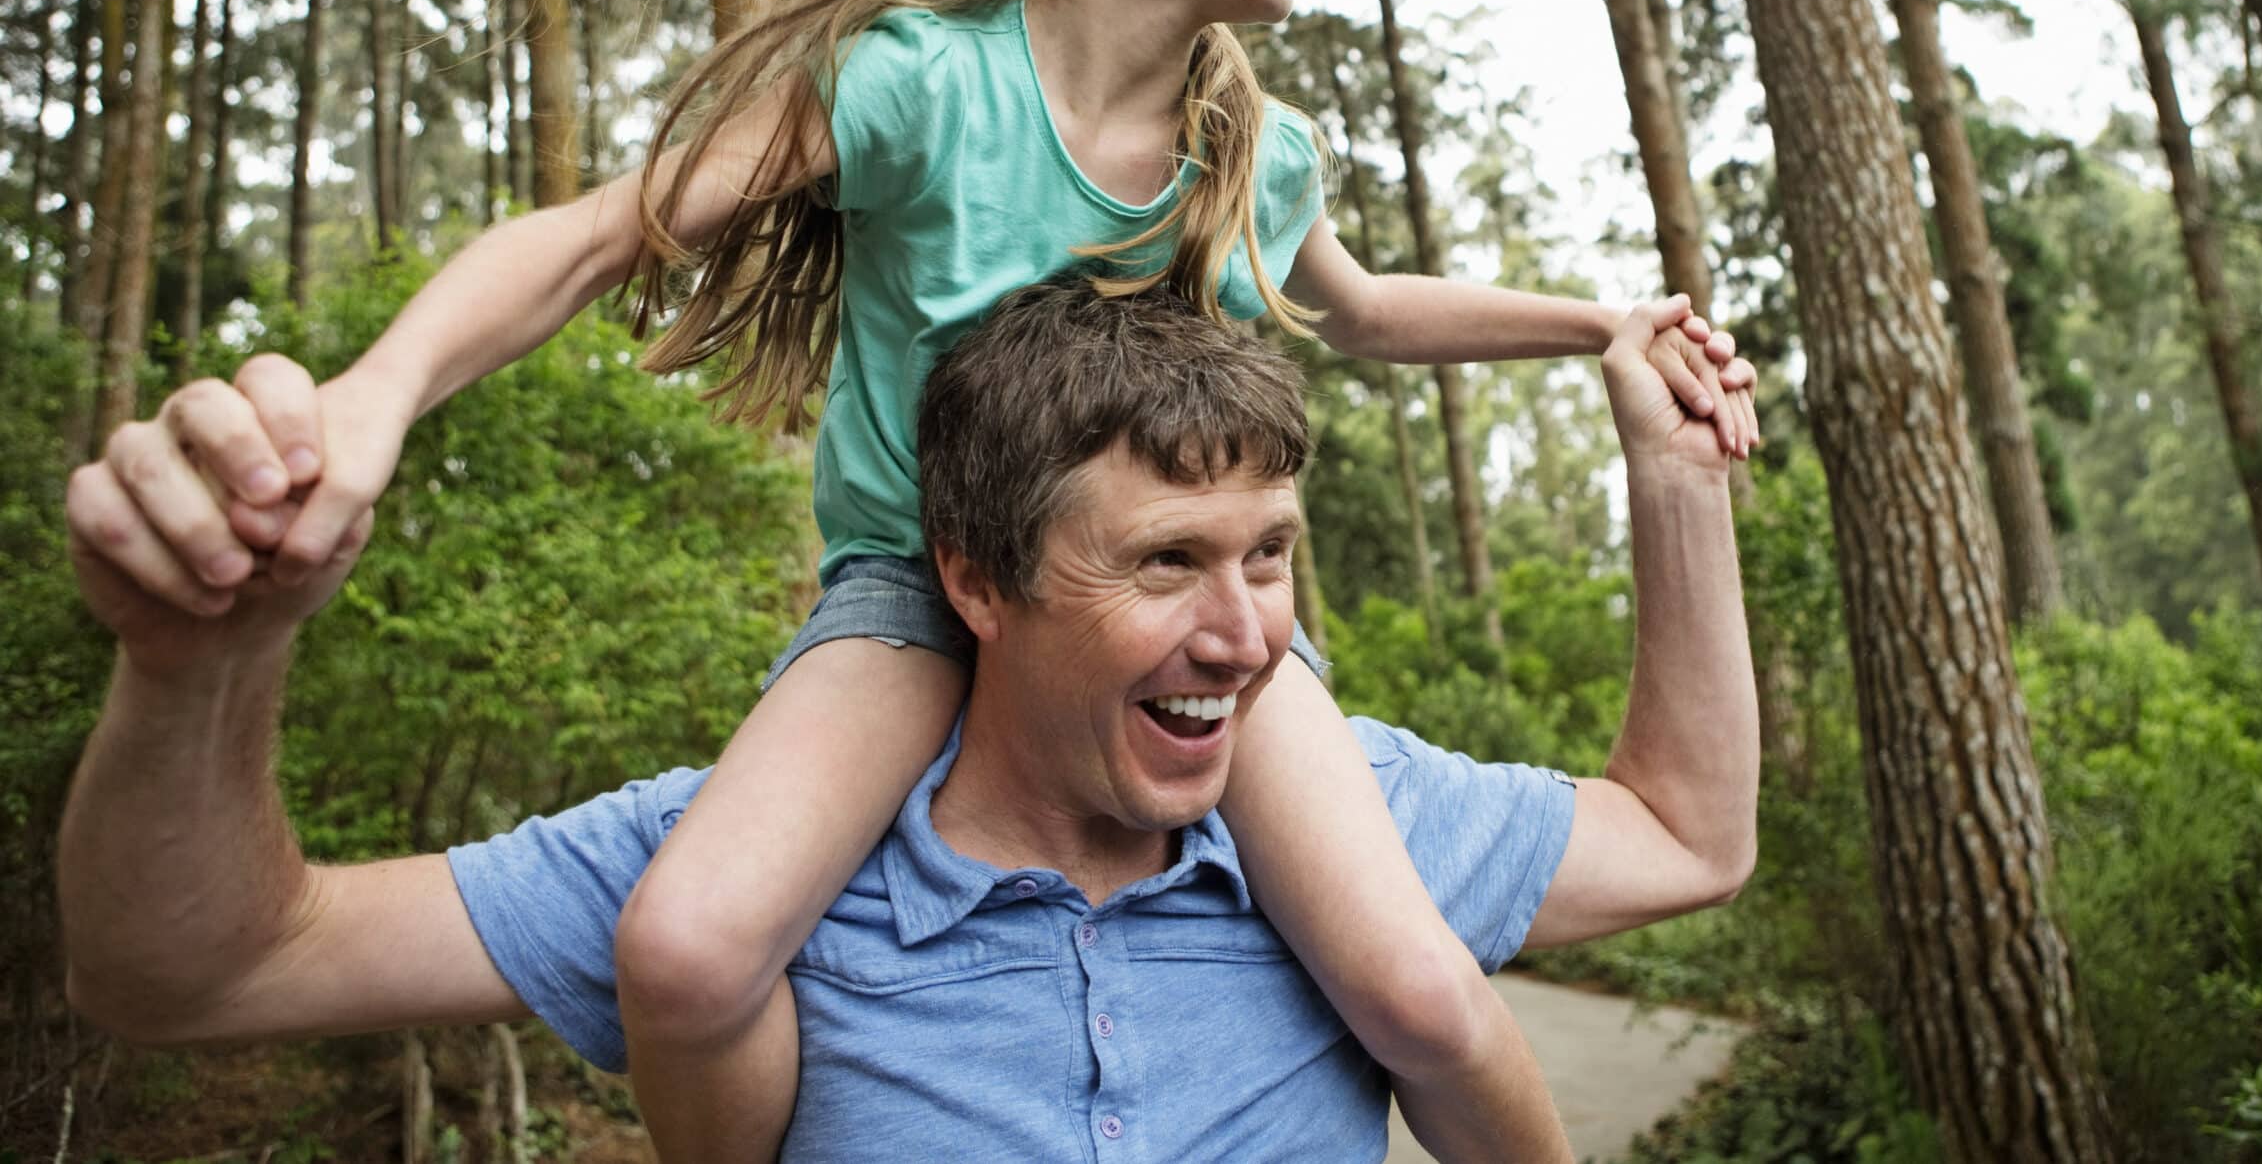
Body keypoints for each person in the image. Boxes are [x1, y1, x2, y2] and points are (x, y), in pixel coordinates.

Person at [124, 0, 1758, 1163]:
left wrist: (1600, 326)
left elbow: (1377, 310)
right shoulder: (919, 82)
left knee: (1419, 984)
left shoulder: (1253, 140)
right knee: (688, 949)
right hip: (915, 590)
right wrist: (377, 392)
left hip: (1167, 615)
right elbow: (602, 234)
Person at [60, 276, 1763, 1159]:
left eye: (1272, 557)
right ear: (975, 580)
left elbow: (1689, 836)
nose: (1244, 637)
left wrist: (1679, 487)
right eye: (1166, 562)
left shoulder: (1349, 830)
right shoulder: (750, 863)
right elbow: (194, 970)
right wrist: (203, 663)